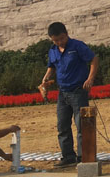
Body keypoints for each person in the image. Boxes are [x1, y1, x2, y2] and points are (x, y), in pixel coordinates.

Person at [41, 21, 100, 167]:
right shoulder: (53, 50)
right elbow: (51, 67)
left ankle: (83, 156)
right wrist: (45, 79)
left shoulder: (77, 46)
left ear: (66, 34)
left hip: (78, 90)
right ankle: (68, 156)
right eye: (56, 40)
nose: (60, 42)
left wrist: (90, 78)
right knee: (62, 125)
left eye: (61, 38)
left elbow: (94, 59)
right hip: (62, 92)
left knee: (81, 125)